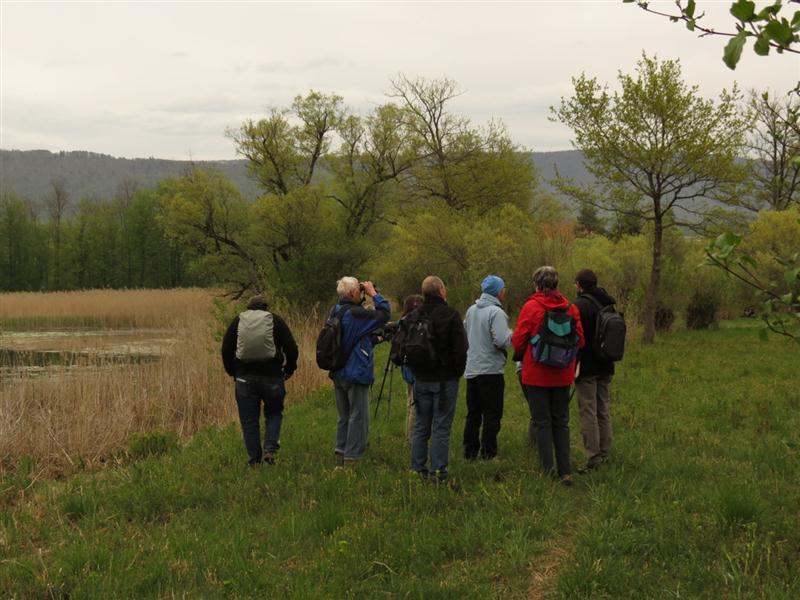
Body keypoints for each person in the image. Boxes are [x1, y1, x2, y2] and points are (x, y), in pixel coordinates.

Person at [512, 266, 584, 486]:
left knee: (542, 422)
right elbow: (580, 340)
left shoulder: (531, 307)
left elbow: (518, 340)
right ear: (556, 284)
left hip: (536, 375)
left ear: (537, 284)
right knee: (561, 422)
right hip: (563, 374)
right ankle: (566, 471)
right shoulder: (571, 308)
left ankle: (547, 471)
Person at [221, 295, 298, 466]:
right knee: (274, 413)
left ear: (248, 307)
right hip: (272, 377)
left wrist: (233, 372)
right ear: (266, 307)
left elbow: (226, 348)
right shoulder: (275, 320)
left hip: (244, 378)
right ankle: (270, 449)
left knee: (249, 421)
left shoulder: (238, 321)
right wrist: (289, 368)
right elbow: (291, 347)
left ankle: (254, 461)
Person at [409, 276, 468, 483]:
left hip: (420, 377)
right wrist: (457, 371)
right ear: (441, 291)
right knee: (441, 425)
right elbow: (461, 349)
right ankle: (438, 472)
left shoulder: (415, 315)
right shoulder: (451, 314)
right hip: (445, 378)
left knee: (421, 424)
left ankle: (417, 468)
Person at [329, 276, 390, 466]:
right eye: (359, 290)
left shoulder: (335, 310)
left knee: (344, 415)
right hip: (355, 371)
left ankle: (341, 451)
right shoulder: (356, 313)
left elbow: (354, 336)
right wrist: (373, 293)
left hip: (338, 369)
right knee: (358, 415)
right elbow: (384, 314)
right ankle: (352, 458)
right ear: (354, 293)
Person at [462, 275, 513, 460]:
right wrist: (512, 334)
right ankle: (488, 453)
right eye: (503, 289)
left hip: (472, 369)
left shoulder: (471, 310)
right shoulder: (496, 312)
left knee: (473, 413)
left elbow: (466, 331)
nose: (504, 292)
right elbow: (501, 340)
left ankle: (470, 451)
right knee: (492, 414)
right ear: (498, 292)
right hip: (491, 370)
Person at [573, 268, 616, 472]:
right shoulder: (608, 303)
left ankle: (593, 457)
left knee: (588, 410)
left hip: (587, 366)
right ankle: (606, 452)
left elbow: (575, 337)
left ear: (579, 285)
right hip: (606, 363)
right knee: (603, 408)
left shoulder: (579, 305)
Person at [400, 294, 424, 441]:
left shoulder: (403, 322)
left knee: (410, 401)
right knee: (415, 403)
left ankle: (409, 435)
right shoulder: (419, 323)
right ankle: (412, 438)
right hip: (416, 366)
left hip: (406, 365)